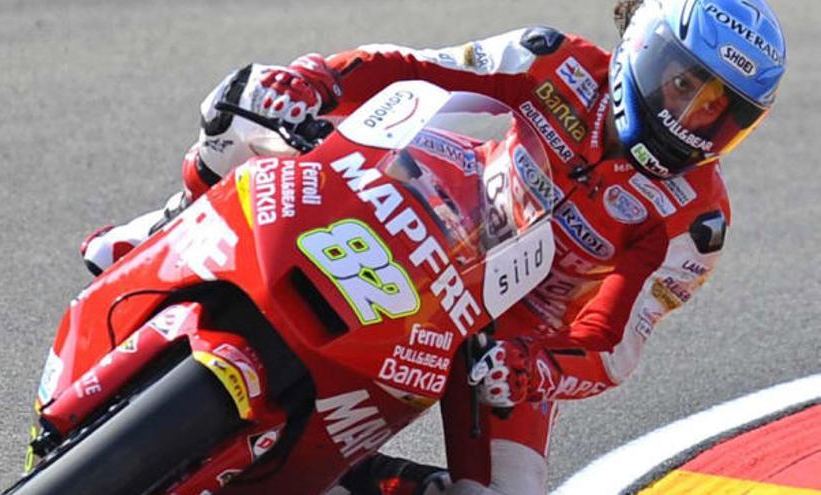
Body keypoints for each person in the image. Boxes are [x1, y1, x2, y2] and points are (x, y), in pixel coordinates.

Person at [81, 0, 787, 493]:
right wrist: (316, 80)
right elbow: (415, 68)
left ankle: (364, 478)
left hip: (508, 338)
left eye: (719, 109)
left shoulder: (695, 220)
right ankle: (163, 227)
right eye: (685, 81)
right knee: (248, 117)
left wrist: (536, 367)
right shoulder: (555, 61)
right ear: (644, 45)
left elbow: (612, 341)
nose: (690, 114)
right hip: (439, 207)